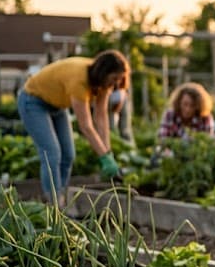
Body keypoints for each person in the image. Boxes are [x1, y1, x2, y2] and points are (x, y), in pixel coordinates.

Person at [16, 50, 130, 202]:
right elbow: (86, 126)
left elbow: (101, 118)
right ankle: (53, 202)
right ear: (104, 72)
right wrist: (103, 156)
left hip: (57, 105)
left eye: (119, 79)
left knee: (68, 154)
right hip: (33, 101)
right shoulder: (80, 79)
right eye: (114, 78)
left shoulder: (104, 84)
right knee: (52, 153)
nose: (116, 84)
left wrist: (108, 154)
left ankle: (61, 199)